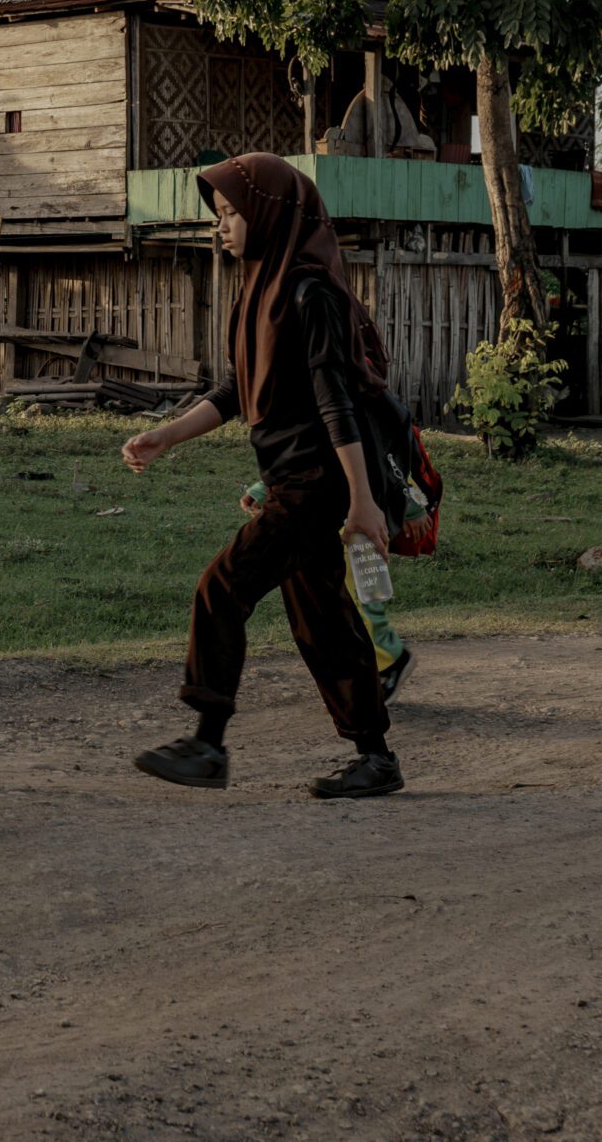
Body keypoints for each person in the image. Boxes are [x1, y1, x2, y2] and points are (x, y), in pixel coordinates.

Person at [123, 153, 405, 799]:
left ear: (270, 214)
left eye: (230, 214)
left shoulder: (311, 293)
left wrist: (362, 501)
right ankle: (376, 756)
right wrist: (166, 435)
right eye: (219, 215)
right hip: (290, 478)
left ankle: (208, 741)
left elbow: (337, 402)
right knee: (323, 620)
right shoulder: (260, 291)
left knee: (222, 587)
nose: (221, 226)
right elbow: (233, 390)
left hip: (316, 481)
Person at [239, 478, 415, 701]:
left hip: (365, 512)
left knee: (357, 595)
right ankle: (373, 669)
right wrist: (264, 488)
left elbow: (391, 451)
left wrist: (413, 508)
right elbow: (307, 450)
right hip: (335, 509)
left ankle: (388, 662)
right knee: (341, 595)